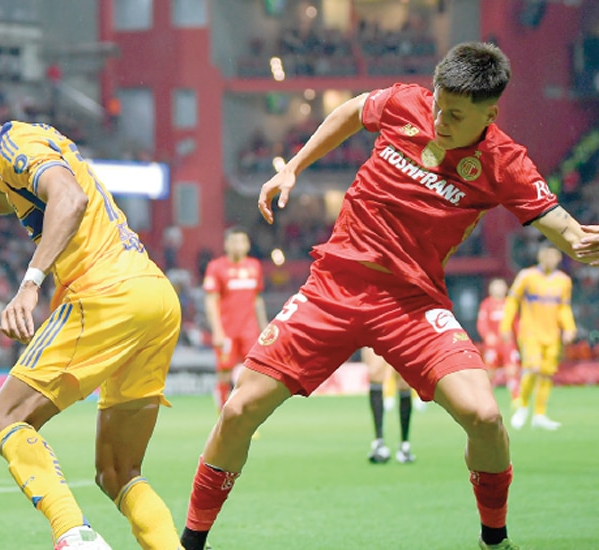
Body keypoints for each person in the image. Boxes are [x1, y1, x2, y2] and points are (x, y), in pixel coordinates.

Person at [178, 42, 599, 550]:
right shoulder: (405, 102)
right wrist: (294, 166)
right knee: (239, 411)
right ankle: (191, 542)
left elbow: (572, 236)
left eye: (458, 115)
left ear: (490, 114)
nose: (441, 119)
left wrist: (581, 239)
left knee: (486, 418)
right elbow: (353, 111)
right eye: (440, 104)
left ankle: (495, 540)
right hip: (334, 288)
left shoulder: (504, 163)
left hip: (413, 305)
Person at [0, 83, 183, 550]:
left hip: (102, 292)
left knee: (1, 420)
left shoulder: (18, 149)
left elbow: (69, 199)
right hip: (154, 296)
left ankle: (74, 536)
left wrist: (30, 284)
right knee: (118, 472)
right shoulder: (22, 148)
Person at [501, 245, 577, 431]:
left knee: (546, 373)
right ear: (540, 257)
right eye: (547, 255)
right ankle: (523, 406)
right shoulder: (527, 276)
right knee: (532, 369)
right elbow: (512, 301)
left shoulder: (564, 281)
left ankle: (540, 415)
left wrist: (569, 328)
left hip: (552, 334)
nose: (550, 259)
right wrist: (506, 325)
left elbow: (563, 308)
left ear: (558, 258)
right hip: (530, 332)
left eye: (554, 256)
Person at [202, 228, 267, 408]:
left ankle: (246, 415)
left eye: (242, 242)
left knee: (253, 373)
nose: (238, 246)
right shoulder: (216, 267)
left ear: (247, 245)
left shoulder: (255, 266)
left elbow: (257, 299)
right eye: (234, 242)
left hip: (250, 331)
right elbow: (211, 301)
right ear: (227, 245)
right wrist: (217, 331)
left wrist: (264, 327)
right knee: (224, 374)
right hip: (227, 331)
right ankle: (223, 418)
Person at [363, 348, 415, 464]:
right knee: (375, 372)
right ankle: (379, 443)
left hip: (401, 331)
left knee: (404, 381)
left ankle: (404, 445)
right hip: (373, 331)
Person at [477, 277, 520, 398]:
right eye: (496, 286)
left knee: (512, 369)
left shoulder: (510, 304)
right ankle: (485, 396)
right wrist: (487, 336)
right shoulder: (487, 304)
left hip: (508, 343)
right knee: (490, 371)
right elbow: (482, 323)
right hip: (493, 344)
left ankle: (516, 398)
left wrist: (519, 337)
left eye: (501, 286)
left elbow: (516, 323)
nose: (499, 289)